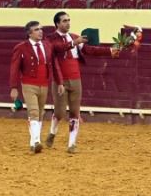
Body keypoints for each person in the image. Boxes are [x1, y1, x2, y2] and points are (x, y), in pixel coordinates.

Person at [46, 12, 120, 153]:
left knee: (74, 112)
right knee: (60, 112)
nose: (68, 23)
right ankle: (52, 133)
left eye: (69, 20)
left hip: (75, 79)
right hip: (59, 80)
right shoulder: (50, 38)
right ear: (57, 24)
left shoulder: (74, 37)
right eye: (64, 21)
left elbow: (89, 50)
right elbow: (57, 48)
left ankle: (72, 144)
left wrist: (110, 50)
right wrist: (74, 42)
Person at [10, 20, 63, 153]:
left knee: (39, 113)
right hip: (28, 84)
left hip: (44, 83)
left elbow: (54, 65)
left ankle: (33, 143)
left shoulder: (47, 45)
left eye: (41, 29)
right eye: (36, 29)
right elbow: (14, 68)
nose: (40, 31)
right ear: (29, 33)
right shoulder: (21, 47)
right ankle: (36, 141)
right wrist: (14, 87)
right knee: (34, 112)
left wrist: (60, 82)